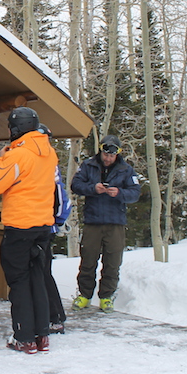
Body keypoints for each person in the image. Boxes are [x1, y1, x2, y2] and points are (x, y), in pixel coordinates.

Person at [0, 106, 58, 354]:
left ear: (16, 129)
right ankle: (42, 335)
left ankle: (24, 337)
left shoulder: (17, 155)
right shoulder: (49, 152)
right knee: (38, 279)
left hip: (20, 226)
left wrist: (3, 155)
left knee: (18, 282)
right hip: (43, 226)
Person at [70, 134, 141, 314]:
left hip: (115, 223)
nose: (108, 159)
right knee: (88, 261)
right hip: (93, 222)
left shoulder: (126, 170)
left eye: (112, 155)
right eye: (106, 155)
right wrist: (93, 189)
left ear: (117, 154)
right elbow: (75, 185)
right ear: (100, 151)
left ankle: (106, 297)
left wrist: (119, 193)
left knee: (112, 262)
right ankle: (84, 295)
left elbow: (135, 193)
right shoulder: (88, 165)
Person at [37, 124, 72, 334]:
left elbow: (60, 197)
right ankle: (48, 315)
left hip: (44, 227)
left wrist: (56, 222)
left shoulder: (51, 163)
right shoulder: (36, 161)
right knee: (39, 273)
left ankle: (54, 316)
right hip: (35, 224)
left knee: (43, 273)